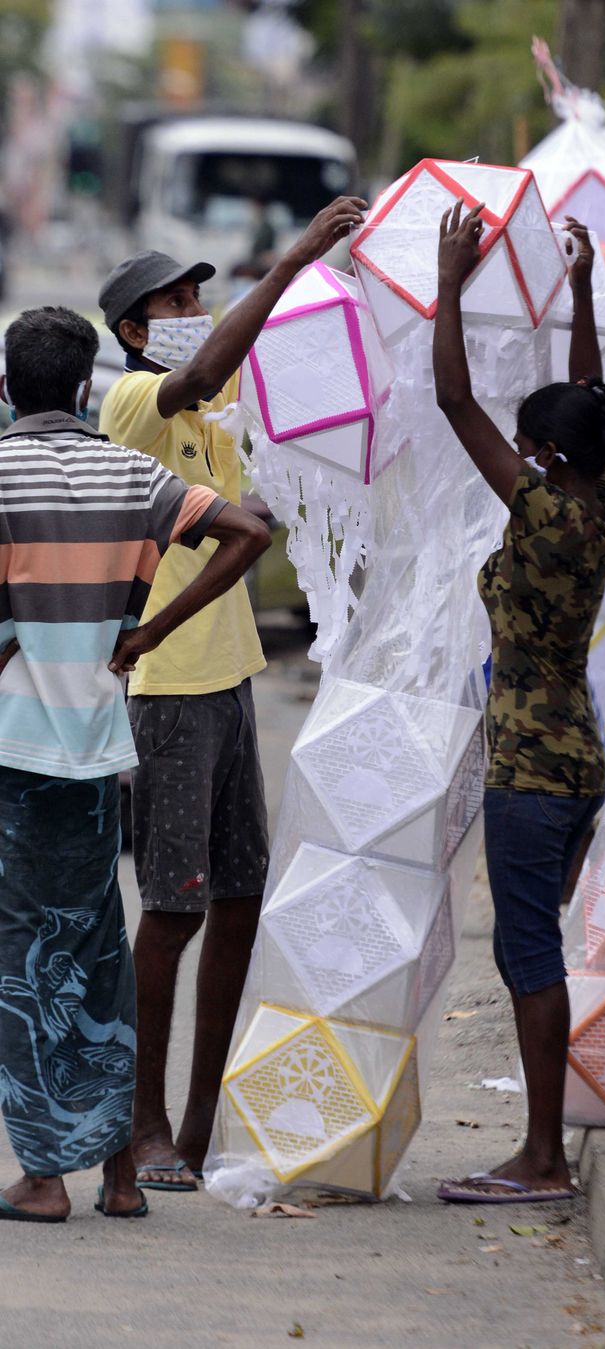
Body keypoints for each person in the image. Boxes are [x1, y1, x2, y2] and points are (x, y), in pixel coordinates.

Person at [97, 194, 366, 1193]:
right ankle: (148, 1118)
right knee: (170, 911)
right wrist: (298, 253)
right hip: (167, 687)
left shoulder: (213, 413)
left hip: (230, 677)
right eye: (170, 302)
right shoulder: (131, 399)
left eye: (193, 297)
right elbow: (203, 370)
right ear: (132, 330)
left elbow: (257, 378)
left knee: (240, 899)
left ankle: (204, 1118)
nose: (188, 311)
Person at [0, 306, 270, 1222]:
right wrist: (146, 628)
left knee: (24, 958)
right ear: (85, 387)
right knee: (98, 945)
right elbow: (247, 533)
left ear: (6, 385)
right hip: (99, 746)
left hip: (14, 754)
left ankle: (43, 1174)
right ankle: (118, 1169)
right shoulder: (129, 471)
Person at [432, 204, 605, 1203]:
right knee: (538, 946)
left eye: (527, 443)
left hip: (528, 765)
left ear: (545, 458)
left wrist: (447, 282)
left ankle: (541, 1156)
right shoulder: (602, 495)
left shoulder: (543, 501)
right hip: (579, 754)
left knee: (528, 950)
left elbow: (452, 396)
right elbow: (590, 400)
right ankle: (540, 1146)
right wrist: (578, 290)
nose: (515, 451)